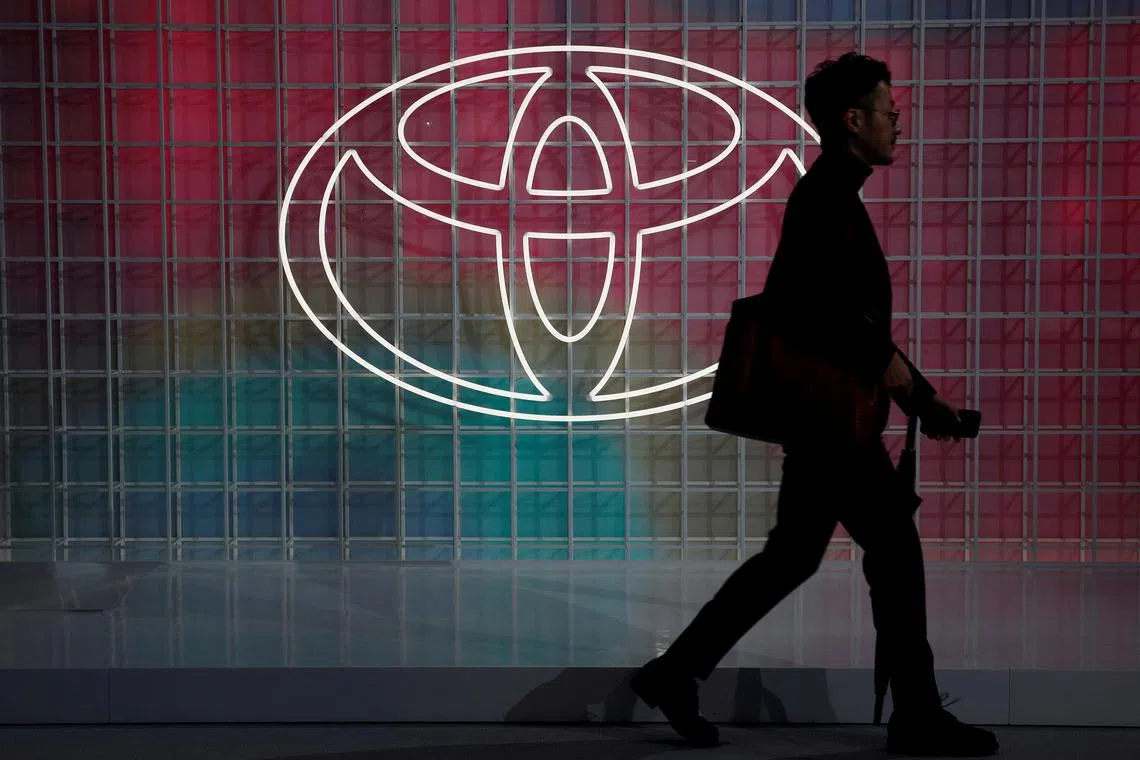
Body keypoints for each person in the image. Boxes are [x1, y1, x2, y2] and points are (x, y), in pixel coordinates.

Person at [630, 53, 1000, 757]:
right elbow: (835, 322)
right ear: (852, 119)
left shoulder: (830, 194)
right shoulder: (826, 197)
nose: (899, 124)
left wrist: (923, 400)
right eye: (890, 112)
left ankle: (674, 672)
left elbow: (852, 326)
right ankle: (916, 715)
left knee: (794, 556)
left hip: (829, 422)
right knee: (891, 552)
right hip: (836, 426)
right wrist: (922, 399)